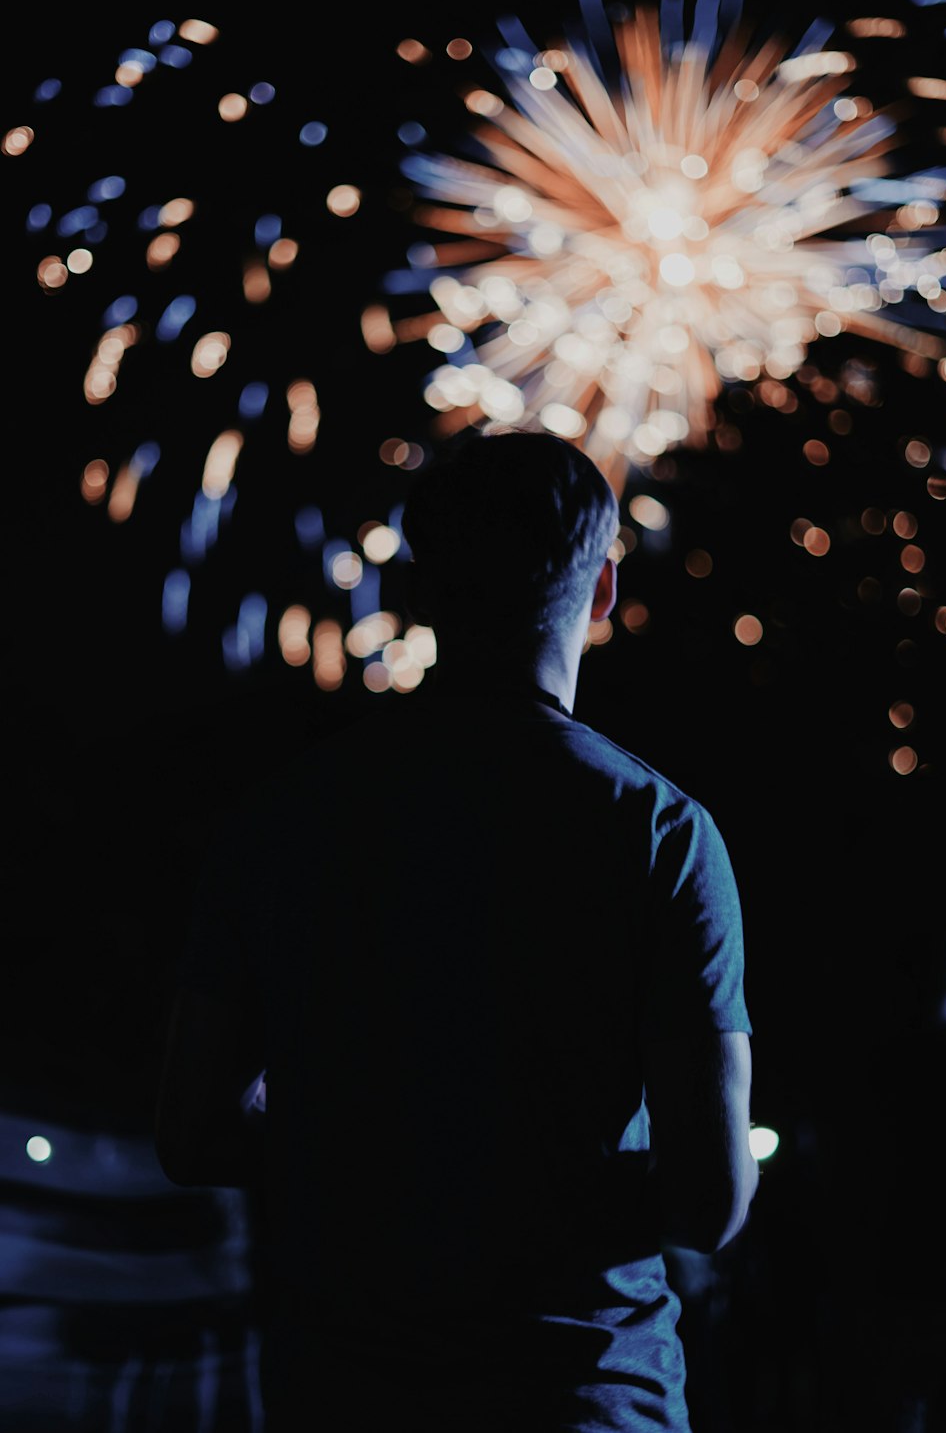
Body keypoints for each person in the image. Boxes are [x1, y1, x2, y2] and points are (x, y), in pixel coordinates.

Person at [155, 428, 759, 1432]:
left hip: (345, 1388)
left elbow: (192, 1132)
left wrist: (380, 1160)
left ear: (421, 589)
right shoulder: (658, 832)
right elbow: (710, 1202)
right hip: (582, 1392)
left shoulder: (284, 821)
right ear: (601, 595)